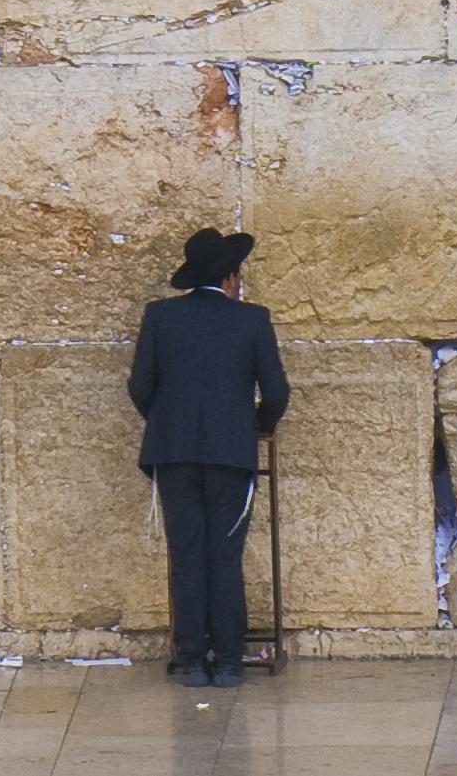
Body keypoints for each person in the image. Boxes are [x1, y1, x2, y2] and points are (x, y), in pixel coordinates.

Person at [126, 226, 290, 688]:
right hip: (231, 455)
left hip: (173, 453)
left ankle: (194, 660)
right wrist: (258, 424)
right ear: (232, 278)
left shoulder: (160, 317)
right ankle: (231, 663)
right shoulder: (252, 320)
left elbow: (140, 386)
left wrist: (167, 424)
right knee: (225, 556)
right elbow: (276, 391)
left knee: (187, 556)